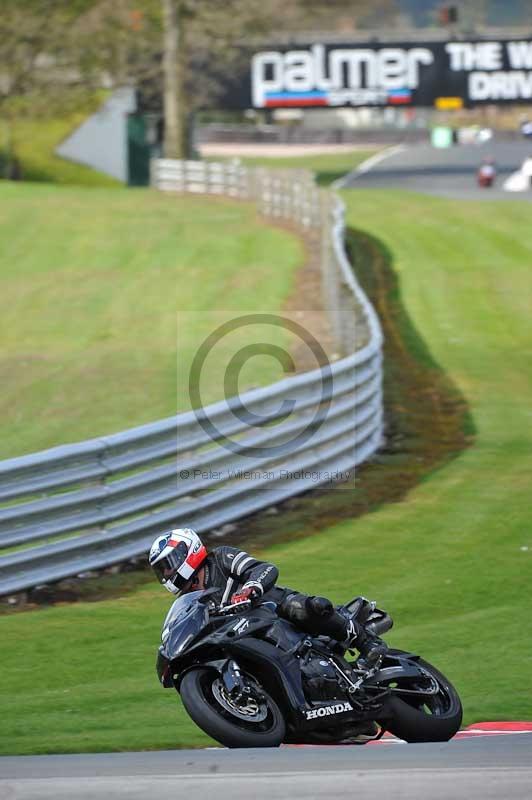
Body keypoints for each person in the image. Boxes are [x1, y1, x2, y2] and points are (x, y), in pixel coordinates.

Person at [149, 527, 387, 667]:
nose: (167, 573)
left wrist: (250, 589)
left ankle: (367, 643)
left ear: (188, 552)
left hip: (271, 609)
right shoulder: (190, 601)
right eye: (162, 570)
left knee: (306, 607)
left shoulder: (220, 558)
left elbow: (264, 568)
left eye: (168, 565)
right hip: (243, 637)